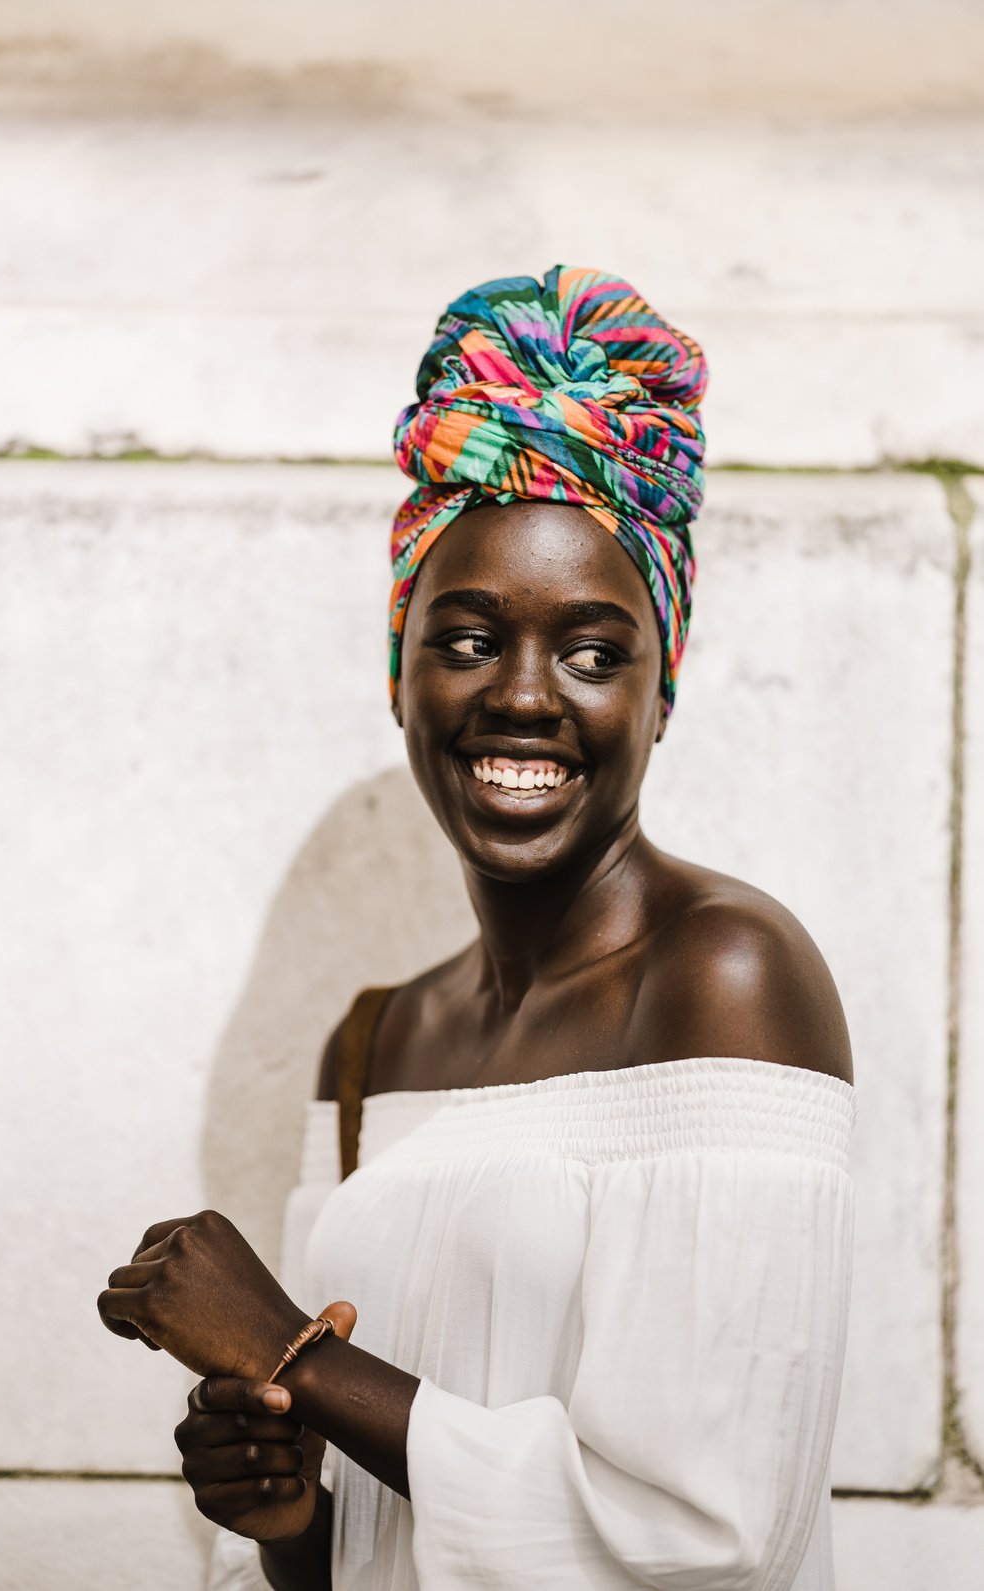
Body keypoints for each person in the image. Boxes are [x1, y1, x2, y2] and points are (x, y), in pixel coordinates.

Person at [99, 265, 856, 1591]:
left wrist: (294, 1358)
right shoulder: (374, 1042)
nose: (521, 697)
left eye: (590, 650)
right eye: (464, 639)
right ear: (398, 673)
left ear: (660, 690)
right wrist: (288, 1519)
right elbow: (384, 1541)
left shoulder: (726, 975)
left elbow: (715, 1543)